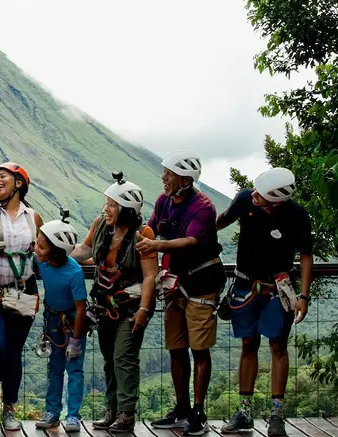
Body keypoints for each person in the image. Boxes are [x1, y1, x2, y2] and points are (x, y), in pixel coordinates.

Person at [216, 167, 313, 437]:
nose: (255, 196)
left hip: (275, 289)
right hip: (245, 285)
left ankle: (276, 414)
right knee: (248, 344)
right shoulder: (245, 199)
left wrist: (303, 296)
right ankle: (244, 412)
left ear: (277, 200)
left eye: (262, 195)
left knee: (278, 346)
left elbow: (306, 255)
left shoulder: (296, 216)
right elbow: (220, 221)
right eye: (256, 192)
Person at [137, 153, 225, 436]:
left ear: (185, 180)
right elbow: (152, 228)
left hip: (202, 281)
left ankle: (198, 412)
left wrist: (156, 246)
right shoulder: (164, 201)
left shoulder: (204, 207)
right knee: (176, 347)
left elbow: (191, 241)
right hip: (175, 282)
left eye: (169, 174)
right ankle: (182, 408)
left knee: (199, 348)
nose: (163, 178)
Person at [71, 174, 158, 433]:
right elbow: (85, 251)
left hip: (131, 306)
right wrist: (57, 249)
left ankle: (126, 413)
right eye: (106, 203)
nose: (105, 209)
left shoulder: (143, 234)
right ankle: (111, 409)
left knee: (124, 357)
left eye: (111, 205)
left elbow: (150, 275)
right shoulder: (101, 226)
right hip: (104, 305)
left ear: (126, 210)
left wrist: (143, 310)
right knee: (110, 358)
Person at [0, 162, 44, 431]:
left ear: (19, 183)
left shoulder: (33, 217)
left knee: (13, 352)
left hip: (24, 293)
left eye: (2, 176)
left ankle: (9, 408)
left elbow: (43, 251)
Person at [34, 218, 87, 433]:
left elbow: (81, 308)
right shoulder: (42, 261)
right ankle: (52, 412)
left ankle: (73, 415)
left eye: (41, 247)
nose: (36, 249)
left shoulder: (74, 273)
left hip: (73, 321)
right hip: (53, 319)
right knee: (54, 366)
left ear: (56, 251)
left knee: (74, 368)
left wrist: (75, 340)